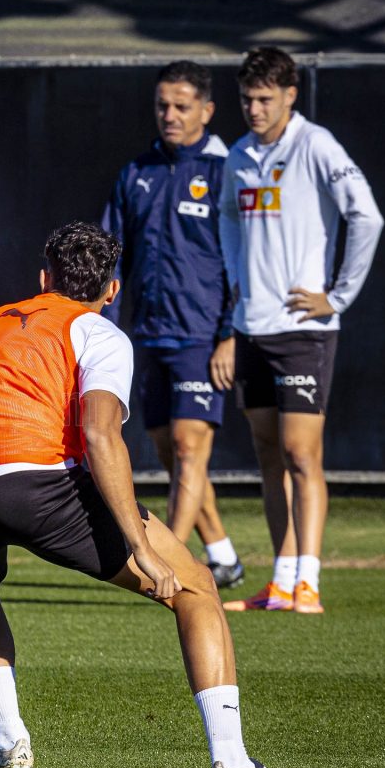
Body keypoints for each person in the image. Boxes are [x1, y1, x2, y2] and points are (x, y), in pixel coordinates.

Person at [0, 221, 293, 768]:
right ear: (112, 290)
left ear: (43, 278)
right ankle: (234, 766)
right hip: (37, 484)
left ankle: (12, 747)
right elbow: (101, 438)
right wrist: (143, 548)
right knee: (196, 587)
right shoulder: (98, 332)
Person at [219, 47, 383, 614]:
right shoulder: (237, 154)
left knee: (300, 453)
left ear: (291, 95)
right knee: (267, 456)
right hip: (252, 327)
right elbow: (226, 219)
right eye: (247, 98)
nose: (254, 108)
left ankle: (308, 580)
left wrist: (336, 296)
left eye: (265, 98)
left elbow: (367, 215)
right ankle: (281, 580)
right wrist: (237, 281)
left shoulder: (316, 145)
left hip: (304, 330)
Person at [101, 61, 245, 588]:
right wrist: (103, 329)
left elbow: (244, 261)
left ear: (206, 110)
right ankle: (224, 555)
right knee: (172, 454)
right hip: (149, 337)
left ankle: (175, 567)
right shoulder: (136, 172)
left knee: (189, 450)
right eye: (163, 105)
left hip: (203, 338)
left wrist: (230, 333)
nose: (170, 115)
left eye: (182, 106)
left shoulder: (227, 170)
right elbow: (111, 260)